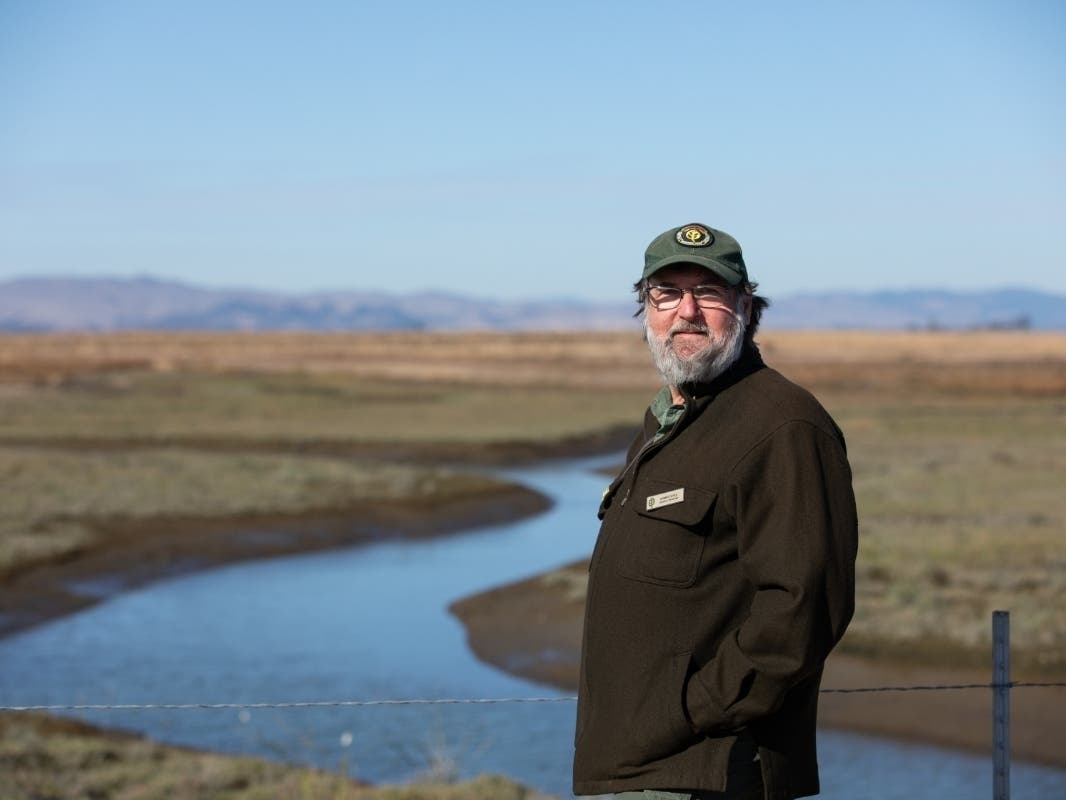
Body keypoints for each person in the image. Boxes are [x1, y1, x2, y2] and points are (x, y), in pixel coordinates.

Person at [573, 223, 858, 800]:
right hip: (635, 765)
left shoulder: (783, 426)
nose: (687, 312)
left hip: (709, 769)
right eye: (667, 293)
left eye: (709, 292)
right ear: (645, 309)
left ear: (745, 306)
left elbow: (803, 606)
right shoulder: (668, 421)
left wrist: (694, 710)